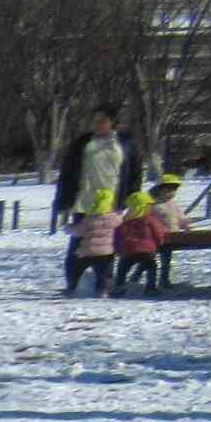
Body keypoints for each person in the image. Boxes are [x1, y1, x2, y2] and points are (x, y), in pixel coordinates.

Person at [53, 107, 140, 290]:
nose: (97, 124)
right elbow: (68, 172)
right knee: (79, 245)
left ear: (113, 122)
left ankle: (105, 283)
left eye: (102, 120)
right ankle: (72, 284)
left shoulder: (126, 143)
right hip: (84, 202)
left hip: (112, 204)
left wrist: (131, 199)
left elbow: (135, 174)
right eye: (95, 120)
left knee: (107, 246)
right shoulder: (82, 143)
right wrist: (63, 200)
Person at [67, 189, 122, 298]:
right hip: (105, 253)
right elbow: (121, 225)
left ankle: (72, 286)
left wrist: (69, 228)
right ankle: (102, 291)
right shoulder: (114, 218)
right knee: (102, 274)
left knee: (76, 268)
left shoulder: (89, 217)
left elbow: (78, 231)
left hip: (88, 251)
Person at [114, 191, 166, 296]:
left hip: (129, 251)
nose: (151, 208)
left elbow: (118, 236)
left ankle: (119, 286)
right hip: (147, 251)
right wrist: (159, 242)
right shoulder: (150, 220)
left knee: (122, 268)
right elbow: (158, 232)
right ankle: (150, 287)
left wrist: (118, 249)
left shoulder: (124, 221)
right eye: (149, 206)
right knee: (151, 267)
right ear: (144, 207)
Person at [147, 172, 189, 290]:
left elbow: (180, 216)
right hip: (155, 237)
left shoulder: (173, 204)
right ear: (160, 190)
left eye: (173, 191)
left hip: (171, 236)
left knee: (166, 260)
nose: (171, 193)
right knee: (149, 260)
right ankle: (137, 276)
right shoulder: (154, 204)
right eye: (168, 190)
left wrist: (185, 224)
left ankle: (164, 279)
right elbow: (148, 219)